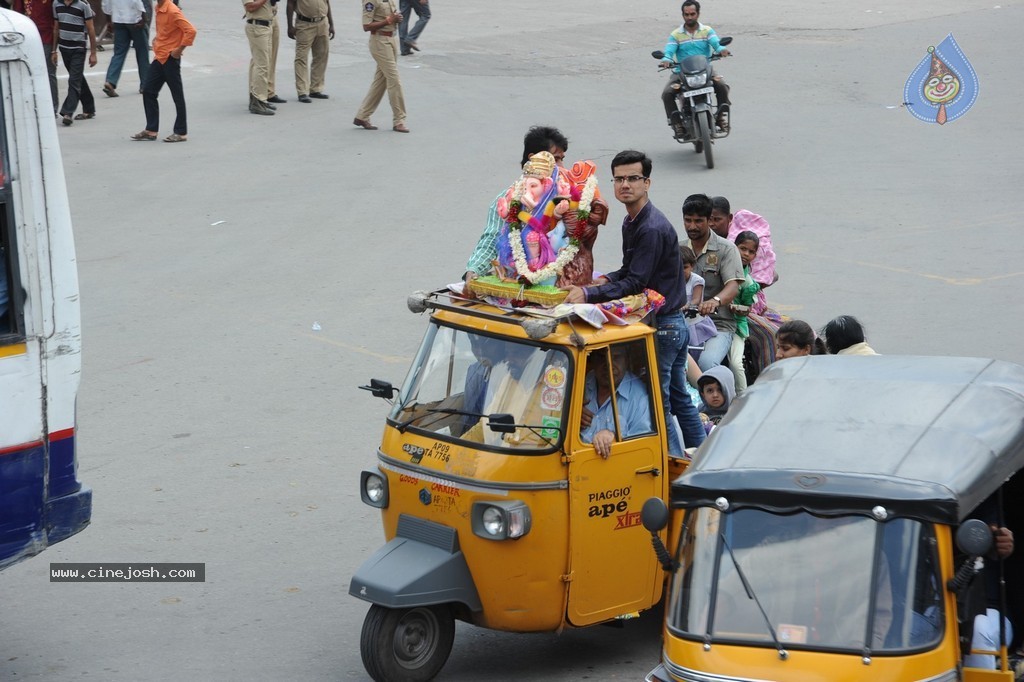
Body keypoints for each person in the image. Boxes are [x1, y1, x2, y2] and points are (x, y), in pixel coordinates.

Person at [563, 150, 705, 453]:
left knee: (660, 402)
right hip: (673, 323)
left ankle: (673, 466)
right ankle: (704, 457)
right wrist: (605, 281)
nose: (625, 185)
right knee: (679, 396)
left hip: (665, 326)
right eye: (619, 179)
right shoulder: (633, 221)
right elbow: (630, 271)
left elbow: (637, 283)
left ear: (647, 182)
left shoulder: (651, 227)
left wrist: (588, 293)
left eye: (633, 178)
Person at [463, 126, 568, 285]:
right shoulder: (507, 199)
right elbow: (491, 239)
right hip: (518, 278)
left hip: (562, 278)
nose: (561, 167)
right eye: (555, 159)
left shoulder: (566, 196)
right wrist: (473, 270)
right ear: (534, 159)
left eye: (562, 159)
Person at [680, 193, 744, 374]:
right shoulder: (678, 248)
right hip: (684, 323)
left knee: (707, 364)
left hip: (719, 325)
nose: (692, 226)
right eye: (688, 220)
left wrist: (715, 301)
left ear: (709, 220)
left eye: (699, 221)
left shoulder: (727, 249)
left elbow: (733, 286)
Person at [660, 0, 731, 137]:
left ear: (698, 14)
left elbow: (717, 44)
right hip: (681, 72)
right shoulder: (676, 34)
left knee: (722, 86)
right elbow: (669, 51)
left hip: (704, 70)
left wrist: (722, 50)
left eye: (692, 14)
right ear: (683, 15)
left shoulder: (707, 31)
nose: (690, 17)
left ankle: (721, 117)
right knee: (667, 94)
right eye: (686, 14)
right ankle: (677, 124)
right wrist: (666, 60)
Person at [129, 0, 195, 142]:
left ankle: (181, 132)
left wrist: (178, 50)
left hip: (170, 59)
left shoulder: (172, 10)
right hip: (159, 57)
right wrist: (157, 40)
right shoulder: (159, 8)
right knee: (148, 91)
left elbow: (191, 31)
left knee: (177, 96)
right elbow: (166, 31)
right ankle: (151, 130)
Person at [580, 345, 653, 459]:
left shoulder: (640, 397)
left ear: (627, 361)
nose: (609, 365)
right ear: (592, 360)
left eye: (616, 357)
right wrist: (573, 418)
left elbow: (642, 450)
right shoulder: (583, 382)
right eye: (601, 357)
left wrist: (613, 437)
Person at [710, 196, 777, 316]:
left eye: (717, 220)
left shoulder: (734, 245)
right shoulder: (708, 241)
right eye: (709, 219)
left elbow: (770, 275)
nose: (712, 224)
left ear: (729, 218)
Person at [353, 0, 408, 133]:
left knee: (381, 81)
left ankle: (362, 116)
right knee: (394, 79)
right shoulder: (370, 1)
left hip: (391, 39)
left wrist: (396, 18)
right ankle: (399, 120)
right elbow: (366, 26)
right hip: (379, 41)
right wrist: (389, 20)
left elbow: (391, 16)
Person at [52, 0, 98, 126]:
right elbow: (56, 28)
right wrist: (53, 51)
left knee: (73, 80)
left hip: (78, 48)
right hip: (64, 48)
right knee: (77, 78)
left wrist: (93, 53)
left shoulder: (83, 5)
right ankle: (89, 108)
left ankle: (68, 112)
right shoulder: (57, 4)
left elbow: (91, 29)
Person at [13, 0, 60, 115]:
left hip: (47, 37)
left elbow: (57, 16)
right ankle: (35, 105)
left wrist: (54, 48)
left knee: (49, 73)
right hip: (29, 37)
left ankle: (52, 107)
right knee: (30, 73)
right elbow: (17, 14)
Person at [286, 0, 333, 104]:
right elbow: (290, 3)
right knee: (301, 58)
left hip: (322, 23)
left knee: (321, 56)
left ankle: (316, 89)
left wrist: (331, 24)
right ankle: (302, 91)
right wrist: (289, 26)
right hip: (305, 24)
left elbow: (327, 3)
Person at [101, 0, 148, 98]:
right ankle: (145, 85)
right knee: (142, 52)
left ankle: (110, 81)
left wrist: (108, 20)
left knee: (119, 53)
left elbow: (106, 3)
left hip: (118, 20)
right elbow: (137, 1)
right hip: (134, 20)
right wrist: (143, 17)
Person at [243, 0, 278, 115]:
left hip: (266, 26)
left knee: (264, 64)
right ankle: (257, 102)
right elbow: (250, 7)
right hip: (257, 27)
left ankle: (260, 99)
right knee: (261, 65)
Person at [732, 231, 760, 342]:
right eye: (743, 249)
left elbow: (747, 307)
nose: (746, 254)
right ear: (734, 247)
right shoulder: (721, 268)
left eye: (751, 252)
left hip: (736, 323)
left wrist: (742, 310)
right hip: (712, 318)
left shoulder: (748, 283)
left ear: (755, 255)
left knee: (736, 360)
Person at [696, 365, 733, 429]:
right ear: (703, 394)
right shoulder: (698, 414)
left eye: (720, 390)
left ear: (729, 390)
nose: (715, 395)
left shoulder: (739, 412)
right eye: (710, 390)